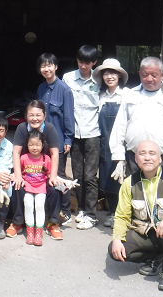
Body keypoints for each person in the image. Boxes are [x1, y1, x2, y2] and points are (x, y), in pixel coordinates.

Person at [108, 140, 163, 292]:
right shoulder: (129, 183)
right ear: (136, 159)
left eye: (152, 153)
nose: (147, 157)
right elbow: (122, 217)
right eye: (142, 154)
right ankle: (157, 258)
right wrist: (116, 239)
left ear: (160, 158)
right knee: (115, 250)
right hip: (146, 233)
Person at [109, 56, 163, 181]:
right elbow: (119, 126)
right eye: (145, 75)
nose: (149, 79)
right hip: (134, 159)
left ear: (162, 75)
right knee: (136, 197)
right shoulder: (130, 95)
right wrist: (119, 156)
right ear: (140, 74)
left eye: (154, 75)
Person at [9, 100, 64, 240]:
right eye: (31, 115)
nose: (35, 118)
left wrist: (53, 176)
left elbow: (55, 153)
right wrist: (18, 176)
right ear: (26, 116)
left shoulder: (49, 129)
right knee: (16, 186)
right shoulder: (22, 128)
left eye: (38, 115)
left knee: (56, 187)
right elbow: (16, 153)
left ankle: (53, 223)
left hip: (44, 172)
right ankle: (17, 222)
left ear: (44, 116)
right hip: (25, 172)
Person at [62, 45, 101, 230]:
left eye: (87, 62)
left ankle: (91, 215)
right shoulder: (68, 78)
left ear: (94, 62)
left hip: (93, 133)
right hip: (75, 133)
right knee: (77, 174)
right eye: (80, 62)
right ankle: (82, 210)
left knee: (90, 176)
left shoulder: (99, 78)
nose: (82, 66)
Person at [35, 53, 75, 227]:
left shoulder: (64, 89)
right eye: (43, 66)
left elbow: (68, 116)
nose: (46, 69)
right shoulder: (41, 89)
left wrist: (68, 138)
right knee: (42, 173)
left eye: (49, 65)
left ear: (56, 67)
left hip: (58, 140)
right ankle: (48, 207)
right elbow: (36, 115)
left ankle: (65, 212)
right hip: (41, 140)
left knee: (58, 176)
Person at [92, 58, 129, 227]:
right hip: (105, 145)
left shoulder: (127, 95)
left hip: (124, 143)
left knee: (126, 180)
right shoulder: (100, 96)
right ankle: (114, 212)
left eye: (113, 72)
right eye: (106, 73)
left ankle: (127, 214)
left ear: (120, 75)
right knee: (108, 179)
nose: (109, 76)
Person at [20, 129, 51, 246]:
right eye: (31, 144)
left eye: (37, 145)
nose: (34, 147)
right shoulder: (23, 158)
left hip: (41, 188)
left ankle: (38, 234)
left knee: (39, 205)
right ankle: (30, 234)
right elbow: (20, 172)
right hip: (28, 187)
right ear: (27, 145)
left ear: (42, 145)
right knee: (28, 204)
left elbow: (49, 174)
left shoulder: (46, 159)